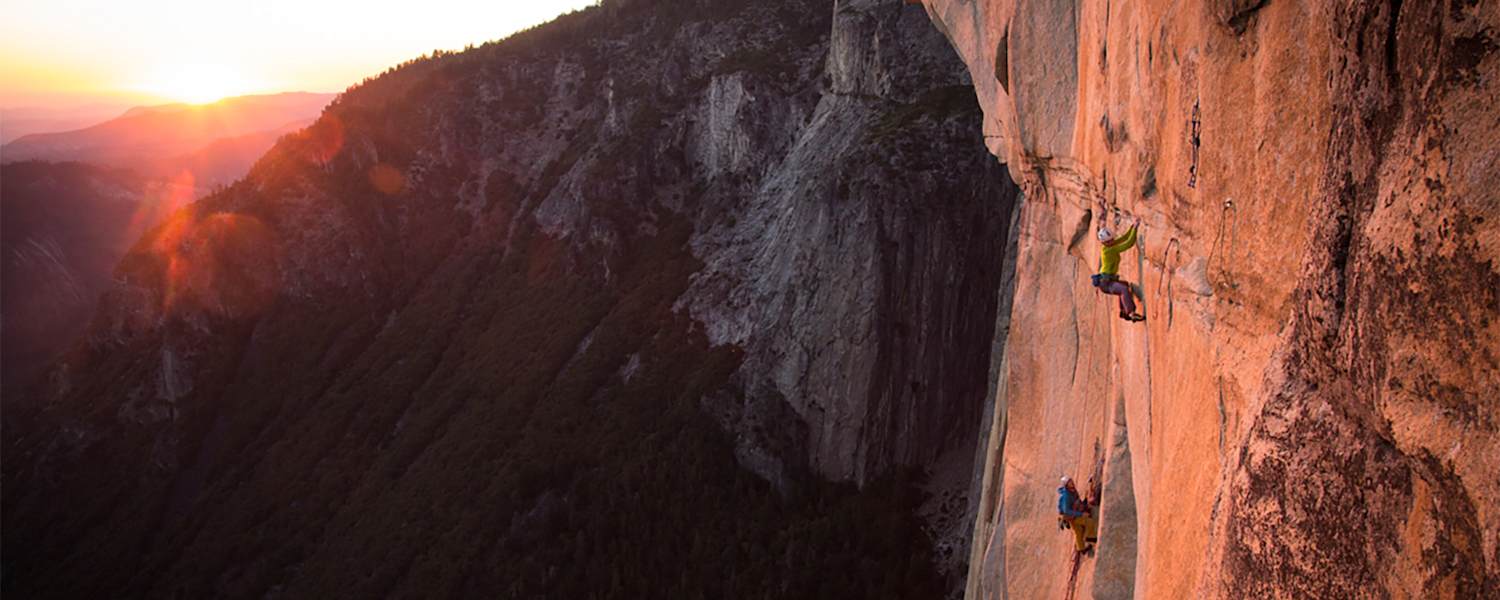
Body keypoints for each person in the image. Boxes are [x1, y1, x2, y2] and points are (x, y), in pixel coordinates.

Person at [1091, 219, 1145, 322]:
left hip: (1108, 280)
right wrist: (1135, 229)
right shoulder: (1109, 250)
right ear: (1103, 243)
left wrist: (1132, 227)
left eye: (1112, 240)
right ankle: (1131, 313)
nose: (1111, 242)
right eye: (1108, 241)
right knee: (1123, 289)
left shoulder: (1109, 245)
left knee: (1125, 285)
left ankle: (1124, 312)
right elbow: (1128, 244)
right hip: (1106, 283)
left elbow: (1124, 238)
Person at [1057, 476, 1099, 555]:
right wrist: (1081, 514)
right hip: (1072, 516)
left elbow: (1077, 499)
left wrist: (1083, 506)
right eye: (1069, 482)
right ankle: (1090, 537)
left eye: (1071, 481)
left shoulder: (1072, 490)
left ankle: (1081, 549)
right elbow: (1067, 511)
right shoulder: (1066, 496)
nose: (1072, 482)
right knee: (1089, 521)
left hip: (1075, 512)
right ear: (1066, 485)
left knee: (1078, 531)